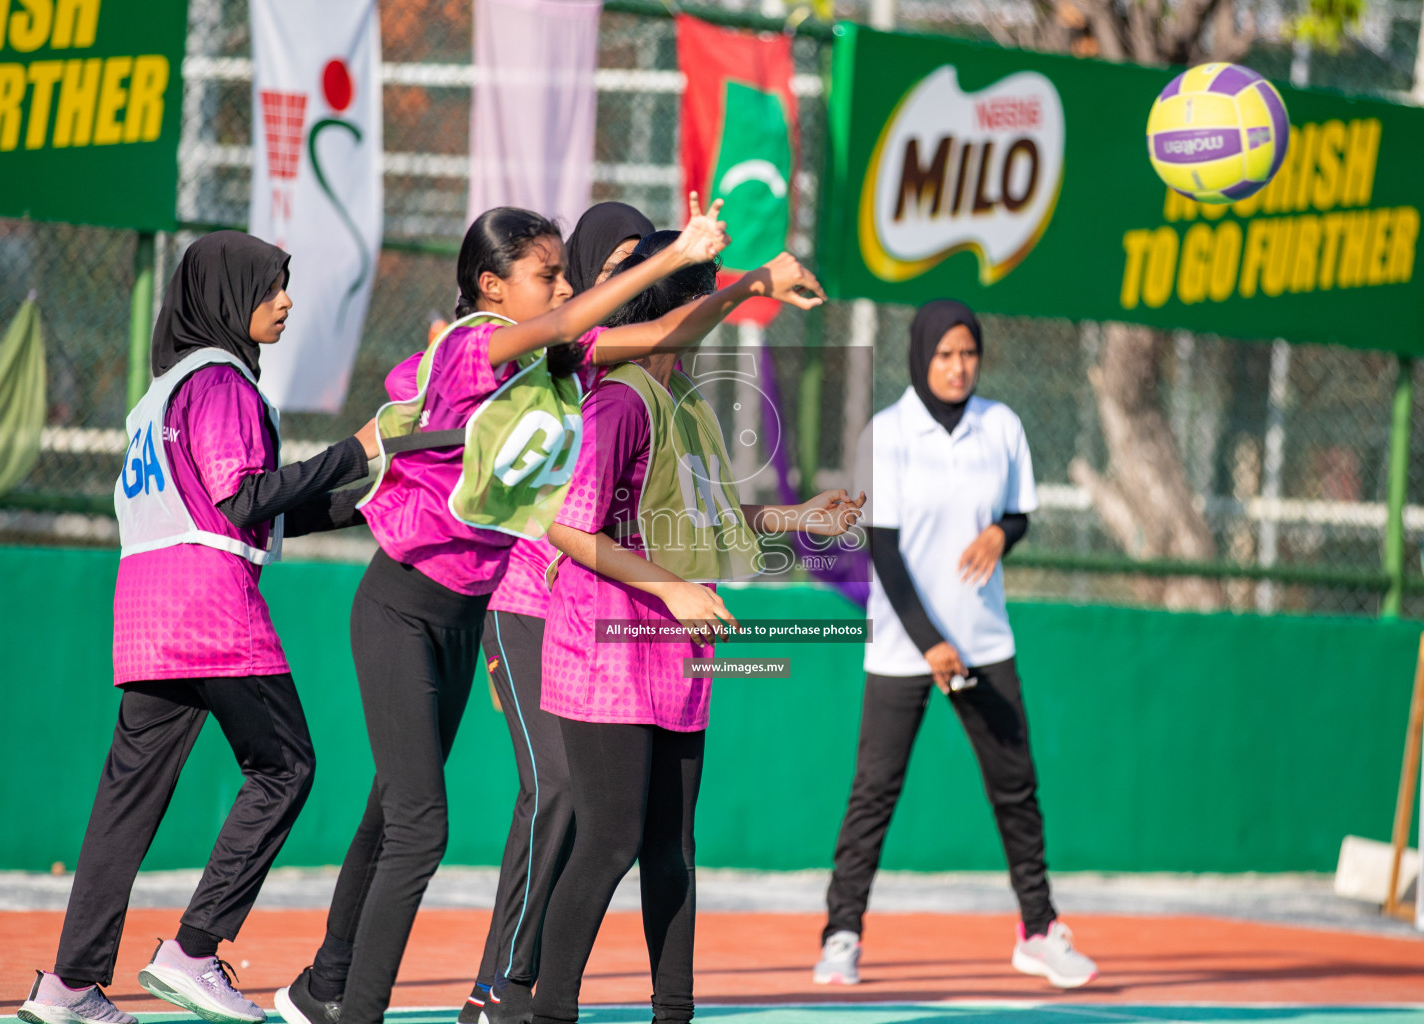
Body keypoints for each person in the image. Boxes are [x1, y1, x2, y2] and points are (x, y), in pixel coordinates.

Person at [274, 200, 820, 1024]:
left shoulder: (588, 366)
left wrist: (752, 282)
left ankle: (334, 978)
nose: (579, 290)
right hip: (513, 596)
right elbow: (591, 330)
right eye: (572, 274)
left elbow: (664, 334)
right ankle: (497, 989)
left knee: (407, 804)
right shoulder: (498, 347)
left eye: (584, 276)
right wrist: (674, 263)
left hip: (481, 592)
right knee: (537, 797)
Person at [455, 210, 829, 1024]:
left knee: (673, 852)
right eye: (698, 302)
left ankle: (673, 1011)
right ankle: (534, 1004)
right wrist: (673, 589)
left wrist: (802, 516)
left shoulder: (684, 400)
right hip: (606, 655)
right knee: (606, 838)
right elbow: (566, 524)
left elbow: (715, 521)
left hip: (676, 660)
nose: (705, 321)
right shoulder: (617, 401)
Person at [17, 232, 377, 1024]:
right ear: (227, 295)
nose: (286, 300)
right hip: (210, 606)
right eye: (272, 286)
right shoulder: (221, 382)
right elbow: (244, 497)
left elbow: (235, 507)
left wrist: (369, 491)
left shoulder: (161, 394)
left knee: (127, 801)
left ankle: (69, 985)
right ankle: (193, 948)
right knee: (286, 767)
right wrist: (359, 448)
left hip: (147, 607)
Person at [812, 300, 1097, 990]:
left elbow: (1018, 512)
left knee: (1016, 788)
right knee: (874, 792)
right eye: (945, 354)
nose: (958, 366)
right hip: (904, 644)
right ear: (920, 356)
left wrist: (1004, 533)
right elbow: (881, 550)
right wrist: (930, 642)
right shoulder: (886, 434)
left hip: (985, 641)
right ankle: (841, 935)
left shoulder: (1002, 426)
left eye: (968, 353)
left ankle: (1038, 930)